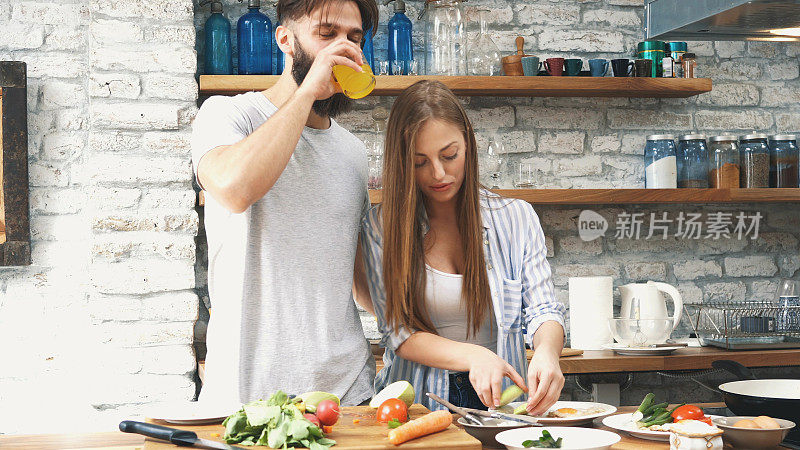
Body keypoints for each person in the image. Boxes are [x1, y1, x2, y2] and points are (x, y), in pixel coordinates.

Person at [190, 0, 379, 406]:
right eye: (327, 34)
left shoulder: (353, 152)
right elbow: (233, 188)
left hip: (346, 394)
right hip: (249, 395)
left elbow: (362, 281)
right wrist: (309, 87)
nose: (342, 48)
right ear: (285, 40)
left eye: (354, 38)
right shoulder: (227, 115)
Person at [361, 80, 566, 414]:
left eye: (449, 155)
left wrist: (546, 353)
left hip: (503, 404)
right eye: (419, 162)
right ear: (402, 162)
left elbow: (543, 310)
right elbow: (399, 333)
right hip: (419, 405)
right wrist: (474, 356)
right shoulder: (381, 226)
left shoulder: (516, 218)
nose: (438, 173)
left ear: (468, 144)